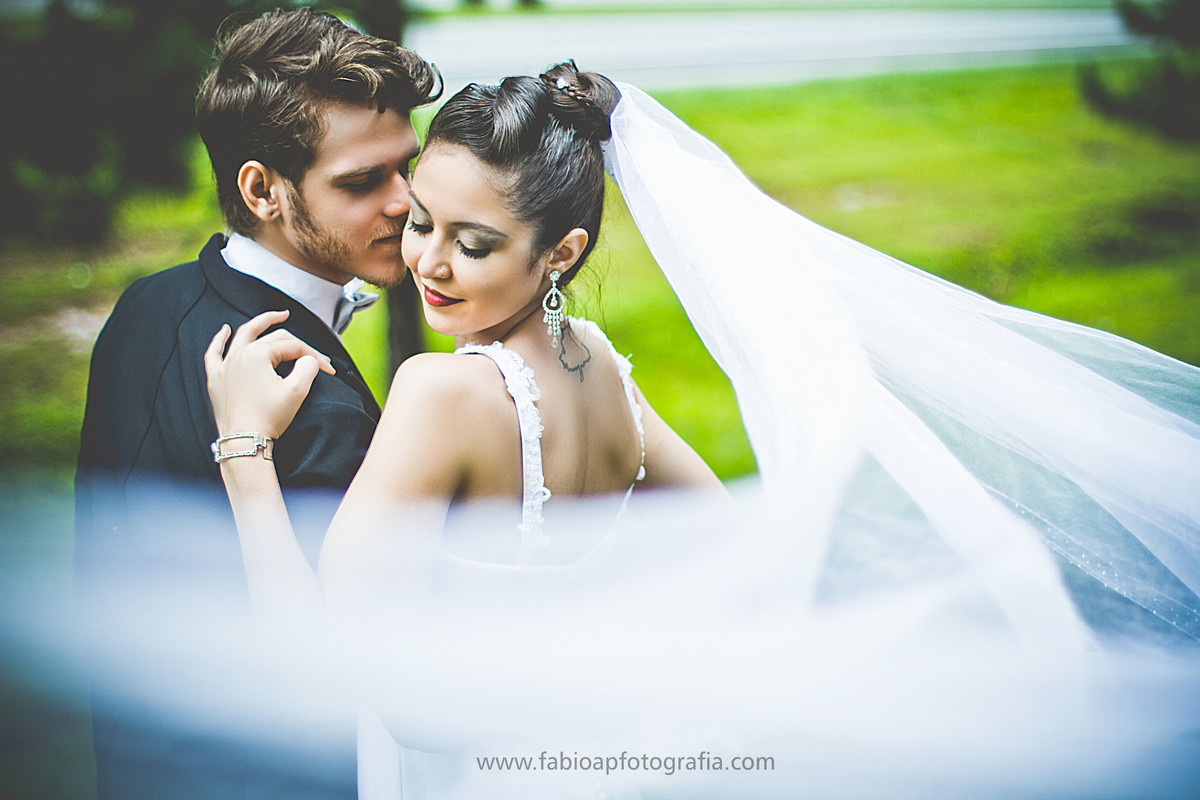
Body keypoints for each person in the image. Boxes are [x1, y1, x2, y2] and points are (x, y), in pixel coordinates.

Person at [206, 63, 1200, 797]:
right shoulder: (600, 365)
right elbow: (734, 535)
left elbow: (316, 663)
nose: (429, 261)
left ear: (562, 250)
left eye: (473, 243)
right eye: (421, 219)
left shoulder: (439, 394)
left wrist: (245, 451)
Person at [72, 8, 440, 800]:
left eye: (404, 166)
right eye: (361, 181)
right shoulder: (312, 405)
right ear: (261, 189)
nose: (405, 202)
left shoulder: (143, 310)